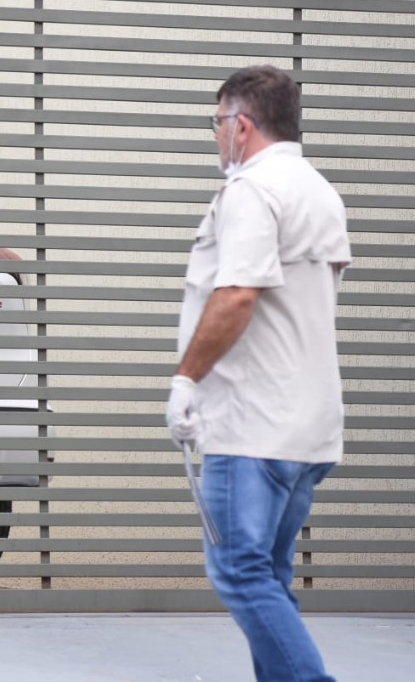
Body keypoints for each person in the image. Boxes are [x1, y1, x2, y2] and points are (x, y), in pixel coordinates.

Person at [167, 65, 351, 682]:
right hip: (307, 428)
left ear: (240, 126)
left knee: (239, 571)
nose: (216, 137)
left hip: (252, 426)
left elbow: (237, 294)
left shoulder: (252, 189)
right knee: (268, 578)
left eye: (217, 123)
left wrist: (186, 380)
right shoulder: (319, 190)